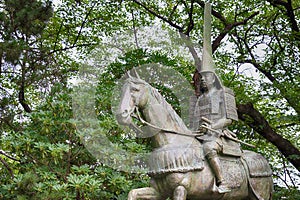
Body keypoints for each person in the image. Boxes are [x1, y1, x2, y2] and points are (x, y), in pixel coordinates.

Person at [191, 70, 239, 193]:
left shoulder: (223, 93)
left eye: (206, 76)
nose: (202, 79)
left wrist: (213, 125)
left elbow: (229, 119)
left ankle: (223, 181)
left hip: (219, 135)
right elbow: (195, 122)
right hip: (201, 135)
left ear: (213, 78)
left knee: (208, 148)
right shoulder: (199, 99)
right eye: (201, 77)